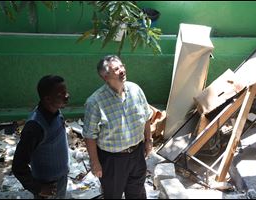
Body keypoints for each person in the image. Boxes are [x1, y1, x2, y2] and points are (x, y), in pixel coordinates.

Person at [83, 55, 153, 199]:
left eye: (122, 66)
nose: (122, 70)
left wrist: (148, 140)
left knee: (137, 193)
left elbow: (146, 117)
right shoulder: (95, 102)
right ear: (105, 76)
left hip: (137, 154)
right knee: (113, 194)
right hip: (112, 160)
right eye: (116, 69)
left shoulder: (136, 90)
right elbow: (90, 136)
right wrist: (95, 163)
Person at [12, 75, 70, 199]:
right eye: (61, 94)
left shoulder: (56, 111)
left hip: (61, 180)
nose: (67, 96)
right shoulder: (35, 127)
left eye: (66, 92)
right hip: (47, 186)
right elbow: (18, 165)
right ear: (48, 99)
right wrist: (38, 188)